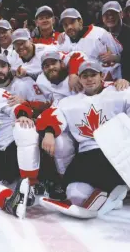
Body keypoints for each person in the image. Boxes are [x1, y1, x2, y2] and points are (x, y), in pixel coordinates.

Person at [37, 61, 129, 218]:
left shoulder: (119, 92)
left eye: (93, 74)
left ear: (102, 76)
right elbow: (50, 115)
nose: (89, 79)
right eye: (84, 76)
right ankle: (112, 194)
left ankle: (114, 189)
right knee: (75, 195)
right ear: (79, 79)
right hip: (87, 156)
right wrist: (49, 132)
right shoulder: (69, 102)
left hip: (116, 151)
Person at [57, 8, 123, 81]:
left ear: (80, 21)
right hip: (80, 84)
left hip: (106, 82)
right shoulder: (63, 39)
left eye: (72, 22)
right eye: (65, 25)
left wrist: (115, 57)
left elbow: (122, 54)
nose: (69, 27)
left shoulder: (100, 33)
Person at [101, 1, 130, 81]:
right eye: (107, 15)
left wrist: (117, 58)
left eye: (113, 13)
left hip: (126, 80)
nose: (110, 17)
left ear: (121, 14)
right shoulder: (99, 33)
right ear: (102, 18)